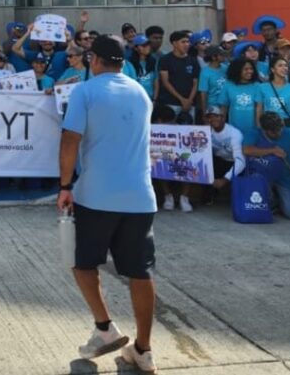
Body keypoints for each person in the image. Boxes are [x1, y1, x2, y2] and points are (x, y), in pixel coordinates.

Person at [57, 35, 157, 372]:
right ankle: (143, 349)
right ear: (123, 62)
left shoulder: (84, 91)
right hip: (140, 197)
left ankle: (104, 328)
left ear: (93, 59)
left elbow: (70, 140)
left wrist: (64, 186)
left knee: (82, 263)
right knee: (140, 272)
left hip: (96, 196)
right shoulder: (141, 93)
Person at [243, 112, 290, 219]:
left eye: (279, 129)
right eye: (274, 131)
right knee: (259, 204)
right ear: (264, 130)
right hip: (263, 175)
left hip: (285, 175)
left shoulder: (289, 132)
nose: (278, 133)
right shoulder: (254, 133)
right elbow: (246, 150)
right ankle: (273, 203)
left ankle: (281, 203)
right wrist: (272, 151)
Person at [202, 106, 246, 208]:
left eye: (216, 116)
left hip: (235, 162)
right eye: (209, 117)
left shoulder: (234, 133)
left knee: (241, 170)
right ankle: (210, 193)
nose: (212, 119)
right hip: (219, 161)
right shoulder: (206, 131)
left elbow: (241, 161)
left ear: (223, 117)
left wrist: (225, 179)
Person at [158, 31, 199, 123]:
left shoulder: (193, 60)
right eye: (183, 42)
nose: (186, 44)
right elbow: (165, 82)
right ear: (174, 43)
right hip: (171, 103)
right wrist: (182, 99)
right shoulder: (165, 60)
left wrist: (189, 101)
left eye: (188, 42)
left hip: (190, 105)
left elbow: (196, 83)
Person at [256, 58, 290, 132]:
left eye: (286, 66)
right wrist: (259, 127)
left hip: (287, 125)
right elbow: (259, 109)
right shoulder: (262, 88)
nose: (284, 68)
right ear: (272, 69)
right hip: (268, 126)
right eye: (280, 65)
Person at [220, 58, 260, 138]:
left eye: (251, 69)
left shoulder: (257, 86)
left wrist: (259, 128)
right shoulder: (228, 85)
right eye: (246, 69)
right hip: (233, 131)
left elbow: (259, 108)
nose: (250, 71)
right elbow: (223, 108)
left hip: (253, 131)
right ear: (237, 70)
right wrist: (221, 128)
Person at [197, 45, 226, 111]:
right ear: (213, 57)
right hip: (213, 107)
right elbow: (203, 94)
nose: (224, 56)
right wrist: (204, 111)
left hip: (226, 105)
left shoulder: (226, 68)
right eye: (221, 55)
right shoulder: (205, 72)